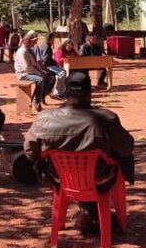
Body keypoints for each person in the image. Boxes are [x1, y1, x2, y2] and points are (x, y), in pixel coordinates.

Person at [23, 71, 134, 233]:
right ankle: (94, 212)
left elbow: (30, 152)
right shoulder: (107, 119)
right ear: (90, 93)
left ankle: (87, 211)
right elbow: (127, 148)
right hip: (100, 180)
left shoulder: (43, 119)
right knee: (121, 161)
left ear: (66, 93)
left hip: (60, 179)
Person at [15, 30, 55, 113]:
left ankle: (40, 98)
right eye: (33, 41)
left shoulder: (30, 49)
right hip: (23, 74)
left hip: (32, 71)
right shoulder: (22, 52)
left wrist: (41, 71)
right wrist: (39, 73)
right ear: (28, 42)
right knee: (40, 79)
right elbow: (26, 68)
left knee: (50, 77)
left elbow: (36, 64)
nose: (35, 43)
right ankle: (36, 101)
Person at [37, 32, 67, 99]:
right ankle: (58, 93)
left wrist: (55, 64)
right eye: (53, 38)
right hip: (47, 66)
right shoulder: (46, 46)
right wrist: (55, 64)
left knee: (63, 71)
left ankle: (60, 92)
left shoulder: (47, 45)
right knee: (62, 73)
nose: (54, 40)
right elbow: (46, 59)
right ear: (50, 38)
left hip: (49, 64)